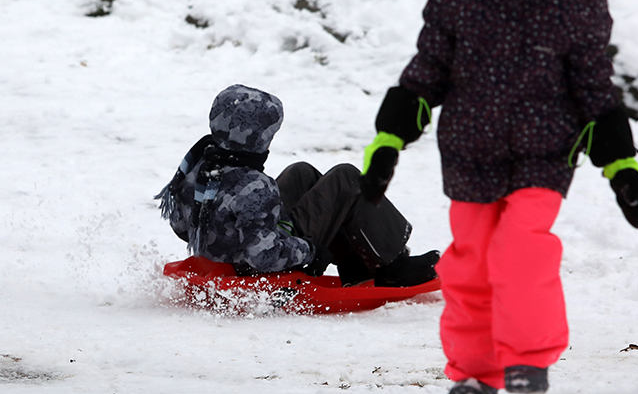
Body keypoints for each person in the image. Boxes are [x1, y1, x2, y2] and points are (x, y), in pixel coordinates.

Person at [359, 0, 638, 394]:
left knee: (521, 251)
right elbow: (426, 74)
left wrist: (621, 165)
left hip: (545, 155)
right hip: (471, 153)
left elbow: (594, 87)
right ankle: (475, 370)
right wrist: (388, 142)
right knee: (470, 264)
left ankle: (528, 359)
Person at [157, 84, 439, 287]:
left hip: (228, 255)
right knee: (348, 179)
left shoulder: (200, 166)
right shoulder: (253, 185)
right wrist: (309, 250)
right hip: (253, 271)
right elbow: (263, 255)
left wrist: (223, 235)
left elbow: (182, 227)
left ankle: (357, 265)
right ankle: (392, 267)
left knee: (301, 172)